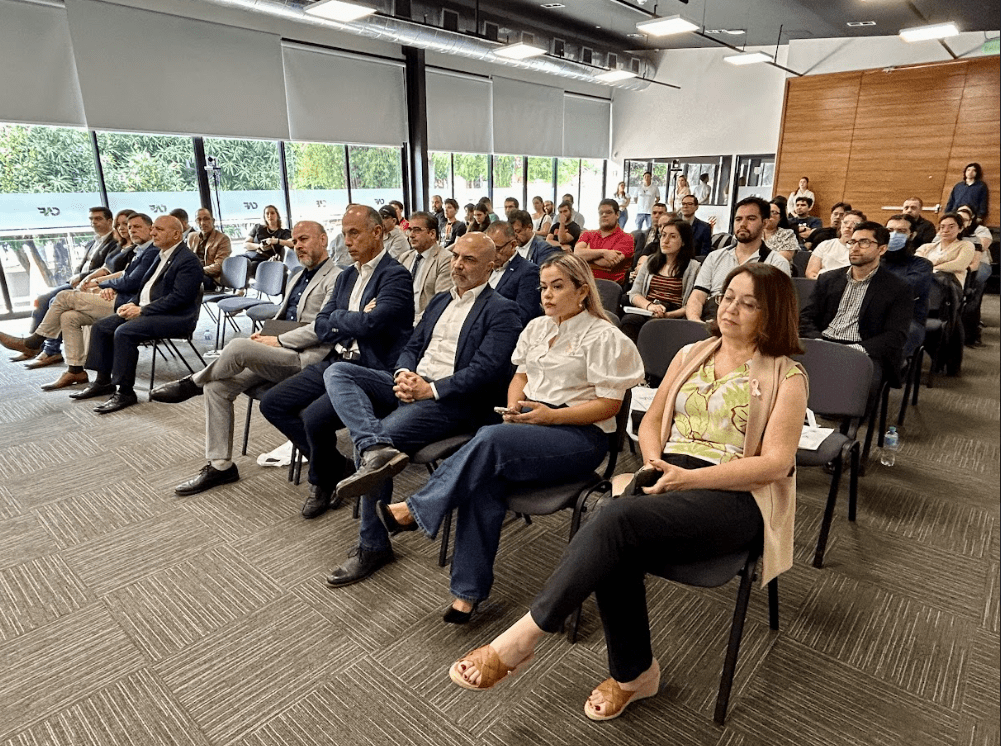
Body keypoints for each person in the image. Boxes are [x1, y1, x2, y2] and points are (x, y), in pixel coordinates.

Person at [446, 263, 807, 725]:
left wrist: (686, 479)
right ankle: (636, 674)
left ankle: (521, 641)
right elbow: (651, 420)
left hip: (733, 493)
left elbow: (776, 464)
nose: (730, 308)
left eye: (748, 303)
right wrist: (657, 461)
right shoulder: (693, 352)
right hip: (668, 473)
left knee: (613, 520)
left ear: (772, 313)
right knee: (615, 536)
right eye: (728, 296)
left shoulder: (787, 375)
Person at [372, 252, 644, 622]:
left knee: (490, 439)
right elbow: (520, 377)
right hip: (531, 427)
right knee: (483, 481)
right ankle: (467, 595)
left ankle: (414, 510)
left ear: (582, 291)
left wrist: (551, 416)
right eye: (543, 287)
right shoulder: (537, 327)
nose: (546, 295)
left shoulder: (604, 336)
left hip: (580, 436)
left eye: (558, 287)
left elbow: (609, 405)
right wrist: (516, 409)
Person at [322, 232, 523, 587]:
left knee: (376, 444)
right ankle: (374, 446)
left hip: (454, 402)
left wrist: (430, 389)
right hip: (413, 383)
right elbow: (412, 344)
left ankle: (372, 545)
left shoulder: (503, 310)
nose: (458, 264)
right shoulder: (440, 300)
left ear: (491, 267)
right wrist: (403, 373)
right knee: (338, 371)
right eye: (456, 256)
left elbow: (486, 371)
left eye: (469, 260)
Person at [152, 221, 341, 497]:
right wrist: (265, 336)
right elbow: (282, 316)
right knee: (216, 387)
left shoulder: (337, 278)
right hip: (276, 351)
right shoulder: (298, 274)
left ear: (323, 240)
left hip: (305, 357)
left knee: (238, 347)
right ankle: (221, 465)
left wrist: (276, 340)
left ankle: (192, 382)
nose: (298, 245)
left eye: (305, 239)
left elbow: (320, 328)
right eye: (296, 241)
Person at [259, 205, 414, 518]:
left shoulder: (395, 276)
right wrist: (354, 316)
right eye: (344, 234)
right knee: (272, 403)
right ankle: (336, 466)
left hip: (369, 369)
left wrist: (341, 319)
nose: (347, 241)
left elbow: (372, 325)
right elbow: (321, 324)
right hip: (335, 359)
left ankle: (321, 481)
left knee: (315, 418)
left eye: (354, 233)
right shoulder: (345, 277)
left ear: (378, 233)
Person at [0, 213, 156, 391]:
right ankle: (75, 370)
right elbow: (125, 276)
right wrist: (105, 284)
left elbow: (131, 282)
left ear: (150, 229)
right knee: (69, 316)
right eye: (129, 227)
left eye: (137, 227)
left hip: (127, 303)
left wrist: (102, 283)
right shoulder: (140, 250)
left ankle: (35, 341)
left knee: (64, 296)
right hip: (116, 295)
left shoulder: (151, 251)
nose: (131, 230)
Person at [72, 215, 204, 414]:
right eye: (153, 229)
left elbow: (180, 299)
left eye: (159, 229)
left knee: (124, 332)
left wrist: (142, 310)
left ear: (177, 234)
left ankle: (125, 392)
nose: (152, 233)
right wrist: (132, 303)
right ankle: (102, 381)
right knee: (102, 326)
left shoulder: (188, 260)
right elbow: (145, 287)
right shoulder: (162, 254)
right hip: (149, 310)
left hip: (176, 317)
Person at [801, 221, 914, 390]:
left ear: (882, 249)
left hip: (863, 349)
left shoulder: (898, 288)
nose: (855, 247)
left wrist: (854, 350)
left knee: (863, 383)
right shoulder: (828, 279)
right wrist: (818, 340)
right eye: (852, 242)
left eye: (864, 242)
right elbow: (806, 317)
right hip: (823, 341)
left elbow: (895, 335)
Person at [21, 207, 118, 369]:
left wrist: (82, 278)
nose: (93, 222)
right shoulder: (93, 241)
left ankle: (46, 348)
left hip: (91, 283)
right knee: (42, 299)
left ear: (110, 221)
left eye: (98, 219)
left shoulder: (115, 242)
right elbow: (84, 264)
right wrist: (77, 276)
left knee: (54, 300)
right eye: (91, 219)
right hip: (79, 281)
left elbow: (109, 268)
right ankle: (36, 345)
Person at [686, 197, 791, 322]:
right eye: (738, 219)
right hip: (710, 321)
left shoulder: (777, 263)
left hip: (750, 326)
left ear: (765, 223)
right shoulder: (715, 257)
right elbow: (697, 296)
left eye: (751, 219)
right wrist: (696, 323)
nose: (742, 224)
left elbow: (776, 312)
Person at [620, 217, 700, 342]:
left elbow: (692, 303)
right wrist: (649, 306)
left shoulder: (693, 267)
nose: (665, 241)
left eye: (672, 236)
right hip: (649, 308)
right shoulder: (650, 262)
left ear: (683, 241)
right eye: (663, 235)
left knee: (654, 326)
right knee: (629, 321)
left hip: (674, 313)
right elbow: (635, 293)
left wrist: (668, 314)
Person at [883, 214, 933, 360]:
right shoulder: (875, 260)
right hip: (872, 315)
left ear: (912, 235)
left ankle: (890, 378)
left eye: (901, 231)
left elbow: (903, 291)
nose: (894, 235)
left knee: (891, 343)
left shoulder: (921, 265)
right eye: (890, 230)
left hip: (908, 321)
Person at [397, 211, 453, 323]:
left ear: (432, 234)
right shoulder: (404, 258)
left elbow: (439, 303)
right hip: (399, 321)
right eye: (410, 230)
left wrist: (410, 322)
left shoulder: (446, 259)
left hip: (424, 323)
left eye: (417, 230)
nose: (411, 235)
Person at [484, 221, 542, 325]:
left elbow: (523, 315)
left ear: (513, 245)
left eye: (497, 249)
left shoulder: (528, 272)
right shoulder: (486, 267)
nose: (492, 254)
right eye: (489, 249)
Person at [573, 199, 634, 285]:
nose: (604, 215)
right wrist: (604, 252)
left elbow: (607, 263)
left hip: (608, 287)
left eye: (608, 212)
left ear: (617, 215)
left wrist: (587, 254)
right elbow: (577, 253)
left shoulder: (627, 238)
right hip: (582, 283)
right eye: (601, 213)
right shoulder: (587, 234)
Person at [915, 213, 976, 288]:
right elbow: (917, 263)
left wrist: (933, 268)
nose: (946, 230)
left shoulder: (966, 245)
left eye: (951, 227)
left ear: (960, 229)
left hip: (951, 284)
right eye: (942, 227)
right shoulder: (926, 247)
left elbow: (959, 265)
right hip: (924, 279)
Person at [806, 210, 865, 279]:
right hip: (823, 283)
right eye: (845, 222)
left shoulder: (863, 249)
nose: (848, 226)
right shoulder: (825, 245)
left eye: (855, 223)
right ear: (841, 225)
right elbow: (811, 273)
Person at [188, 208, 232, 290]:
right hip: (194, 273)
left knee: (188, 280)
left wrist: (197, 271)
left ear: (213, 221)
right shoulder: (192, 236)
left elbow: (218, 266)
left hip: (211, 277)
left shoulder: (222, 239)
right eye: (199, 220)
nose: (202, 223)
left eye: (206, 219)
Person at [243, 205, 292, 275]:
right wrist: (259, 246)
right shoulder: (257, 228)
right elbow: (245, 245)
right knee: (237, 260)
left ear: (277, 215)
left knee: (252, 266)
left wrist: (276, 241)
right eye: (267, 213)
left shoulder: (284, 233)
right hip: (251, 255)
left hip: (265, 258)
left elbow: (292, 243)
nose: (269, 216)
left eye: (272, 213)